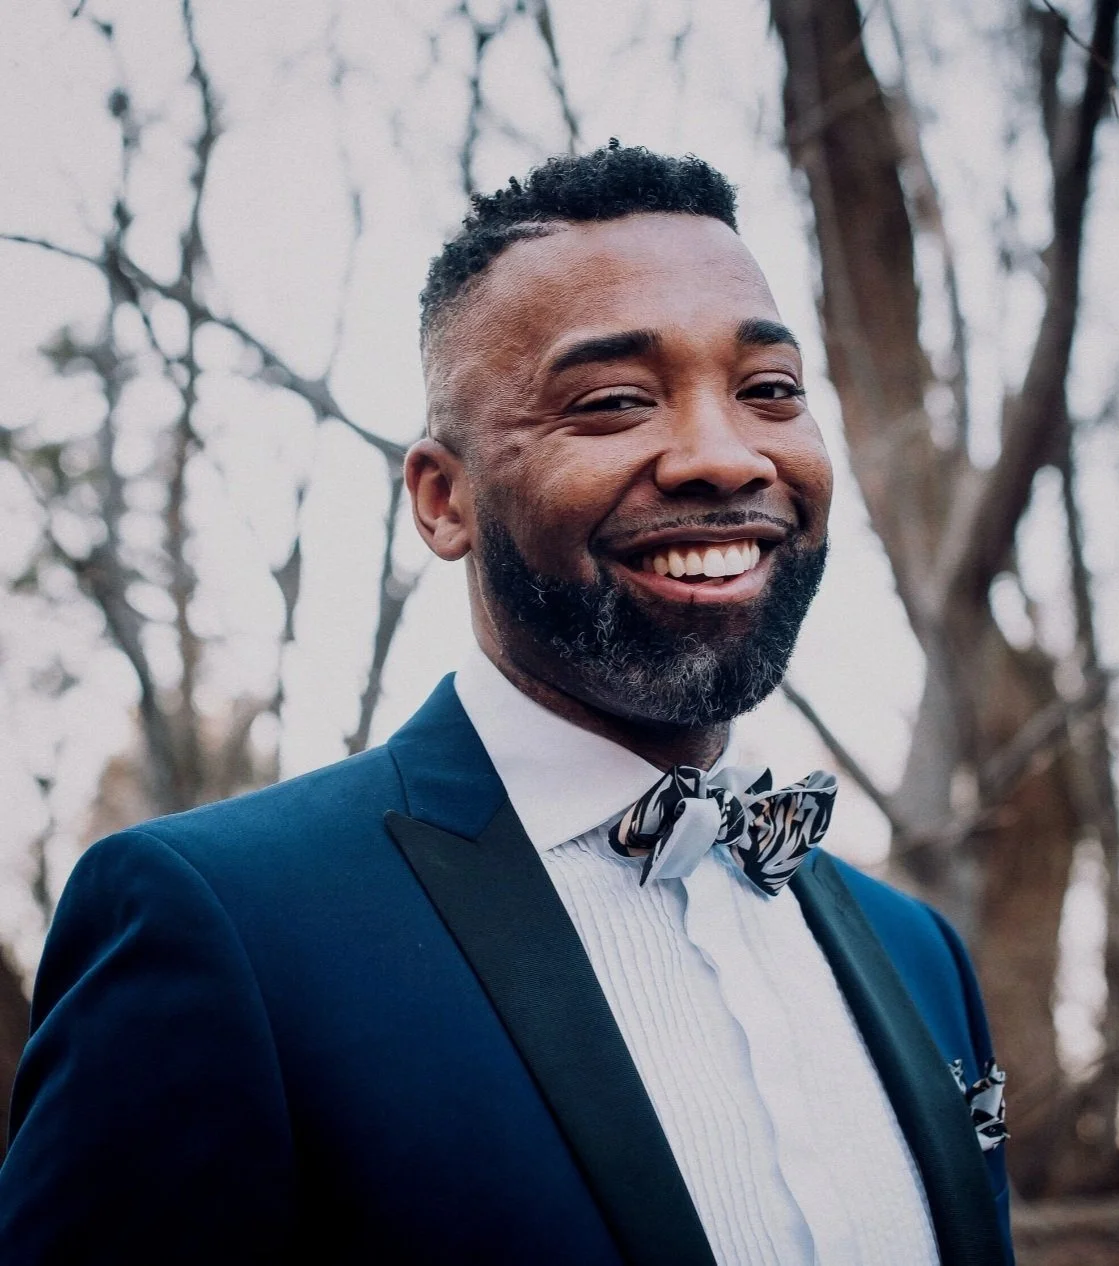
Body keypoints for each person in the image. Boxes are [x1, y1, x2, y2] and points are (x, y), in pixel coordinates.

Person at [0, 142, 1012, 1265]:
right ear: (445, 500)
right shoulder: (222, 926)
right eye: (614, 401)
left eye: (768, 390)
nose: (725, 458)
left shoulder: (921, 955)